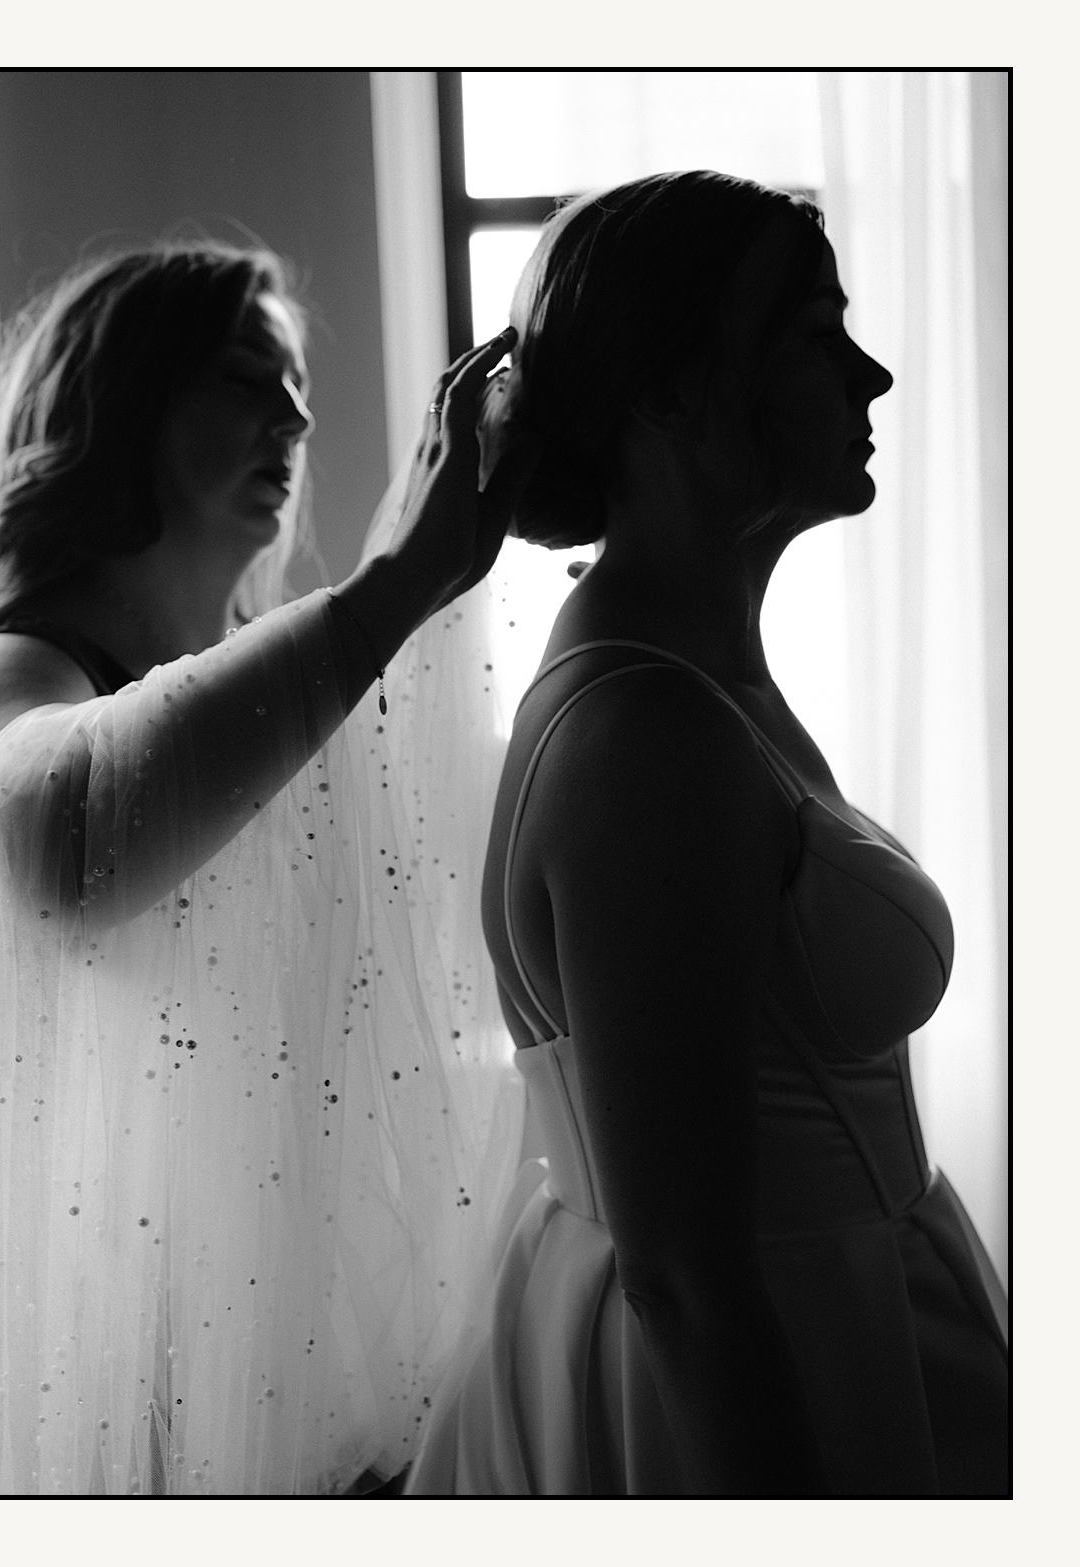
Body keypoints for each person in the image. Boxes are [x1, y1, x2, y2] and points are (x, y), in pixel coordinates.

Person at [407, 171, 1010, 1496]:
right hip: (773, 1366)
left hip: (842, 1305)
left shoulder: (694, 674)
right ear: (670, 388)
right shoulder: (645, 733)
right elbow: (683, 1275)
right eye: (812, 333)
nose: (872, 376)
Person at [0, 242, 522, 1494]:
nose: (297, 417)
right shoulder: (8, 660)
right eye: (249, 377)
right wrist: (404, 581)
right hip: (129, 1316)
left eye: (298, 384)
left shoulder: (273, 665)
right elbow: (57, 849)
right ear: (123, 402)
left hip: (297, 1265)